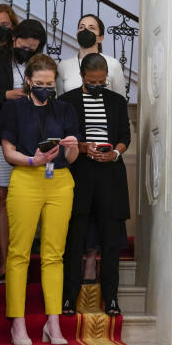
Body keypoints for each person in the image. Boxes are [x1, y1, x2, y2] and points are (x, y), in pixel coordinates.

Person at [0, 53, 79, 345]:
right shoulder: (14, 108)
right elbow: (8, 152)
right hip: (26, 178)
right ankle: (17, 324)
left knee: (54, 254)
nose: (46, 88)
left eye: (50, 83)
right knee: (19, 253)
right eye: (40, 83)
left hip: (60, 182)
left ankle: (53, 323)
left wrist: (71, 147)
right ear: (29, 81)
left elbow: (73, 157)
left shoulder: (65, 109)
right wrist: (33, 160)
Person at [0, 19, 46, 283]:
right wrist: (7, 94)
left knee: (27, 199)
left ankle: (22, 258)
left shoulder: (40, 64)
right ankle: (5, 262)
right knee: (2, 197)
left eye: (32, 49)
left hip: (32, 137)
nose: (27, 52)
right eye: (23, 47)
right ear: (14, 39)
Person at [59, 53, 130, 316]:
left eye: (102, 82)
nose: (98, 87)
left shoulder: (117, 101)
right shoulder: (67, 101)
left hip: (111, 175)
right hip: (80, 173)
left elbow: (125, 136)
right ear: (82, 77)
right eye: (93, 83)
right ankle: (69, 297)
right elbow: (63, 137)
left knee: (111, 242)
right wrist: (83, 146)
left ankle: (111, 298)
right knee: (74, 240)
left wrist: (115, 153)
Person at [56, 14, 128, 99]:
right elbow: (60, 100)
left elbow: (121, 100)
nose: (85, 30)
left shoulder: (113, 64)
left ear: (100, 38)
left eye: (92, 28)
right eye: (81, 27)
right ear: (77, 34)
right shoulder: (63, 66)